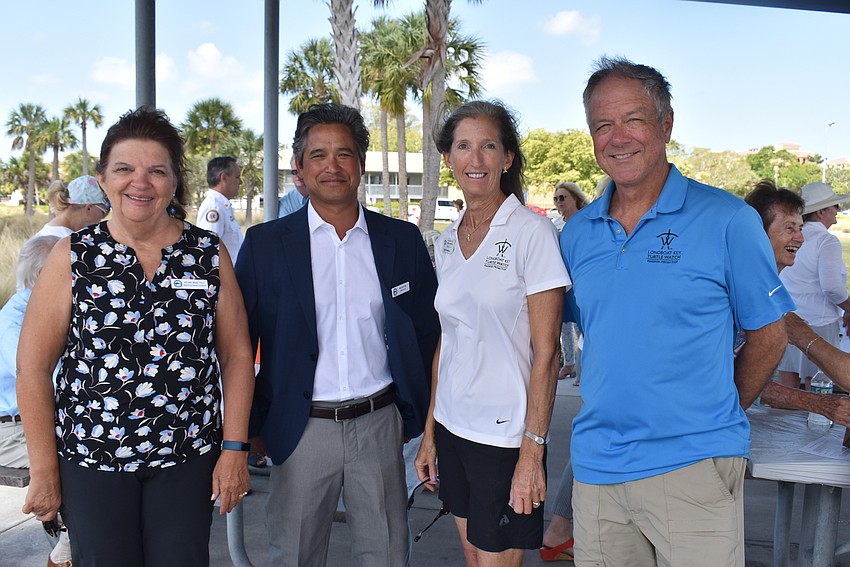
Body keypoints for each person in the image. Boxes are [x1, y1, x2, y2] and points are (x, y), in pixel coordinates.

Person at [560, 56, 793, 567]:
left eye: (634, 120)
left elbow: (770, 334)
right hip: (598, 471)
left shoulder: (728, 219)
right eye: (603, 125)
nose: (618, 137)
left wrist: (720, 408)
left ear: (666, 124)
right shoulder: (578, 234)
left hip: (693, 465)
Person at [16, 106, 255, 567]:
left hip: (186, 460)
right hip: (92, 463)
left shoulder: (206, 253)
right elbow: (33, 367)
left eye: (156, 170)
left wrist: (234, 449)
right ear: (103, 179)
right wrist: (44, 468)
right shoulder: (73, 257)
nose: (139, 182)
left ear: (173, 181)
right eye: (124, 169)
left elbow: (238, 356)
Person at [235, 103, 439, 567]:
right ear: (299, 168)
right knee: (295, 555)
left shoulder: (400, 240)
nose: (332, 166)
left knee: (386, 553)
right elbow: (237, 346)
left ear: (361, 166)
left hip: (380, 425)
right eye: (319, 155)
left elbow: (428, 334)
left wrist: (425, 420)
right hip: (300, 428)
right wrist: (249, 431)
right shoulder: (266, 246)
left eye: (344, 154)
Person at [415, 100, 570, 567]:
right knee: (472, 556)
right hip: (452, 425)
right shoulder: (446, 240)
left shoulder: (532, 233)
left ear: (507, 158)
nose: (475, 159)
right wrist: (429, 433)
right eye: (463, 146)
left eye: (488, 146)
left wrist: (532, 451)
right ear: (449, 159)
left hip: (504, 438)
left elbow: (548, 355)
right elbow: (449, 340)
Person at [744, 181, 850, 425]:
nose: (800, 238)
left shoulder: (770, 292)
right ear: (757, 233)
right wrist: (818, 403)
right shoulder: (736, 292)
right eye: (790, 228)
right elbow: (731, 381)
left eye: (800, 227)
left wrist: (799, 332)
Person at [777, 181, 850, 390]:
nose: (838, 210)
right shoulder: (827, 241)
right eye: (834, 206)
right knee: (818, 389)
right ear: (820, 212)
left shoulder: (788, 237)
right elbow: (832, 288)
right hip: (819, 323)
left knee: (788, 390)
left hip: (789, 319)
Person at [196, 156, 244, 264]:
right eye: (237, 177)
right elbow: (209, 251)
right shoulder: (214, 208)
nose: (240, 182)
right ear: (224, 178)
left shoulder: (223, 206)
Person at [35, 176, 109, 239]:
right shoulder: (66, 242)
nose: (101, 219)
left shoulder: (45, 234)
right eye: (103, 212)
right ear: (88, 209)